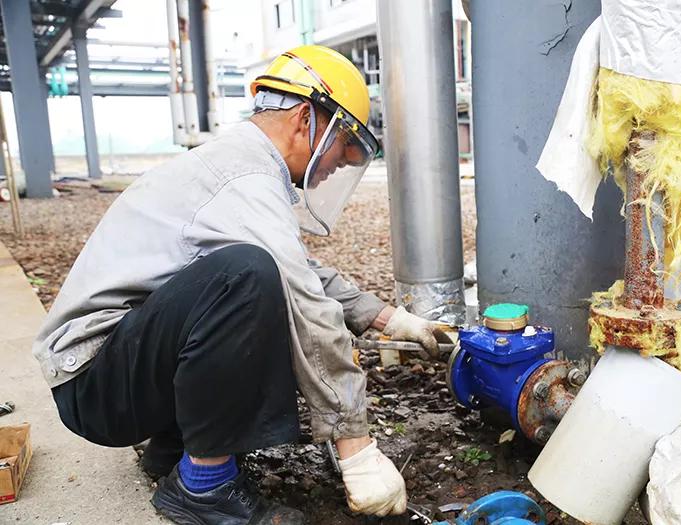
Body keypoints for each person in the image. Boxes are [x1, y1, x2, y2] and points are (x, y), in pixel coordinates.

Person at [33, 45, 451, 525]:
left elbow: (301, 268)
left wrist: (391, 319)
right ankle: (204, 487)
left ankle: (175, 451)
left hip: (112, 370)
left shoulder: (240, 166)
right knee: (248, 278)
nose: (340, 163)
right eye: (344, 146)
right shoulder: (244, 177)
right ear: (305, 119)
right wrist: (356, 447)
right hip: (94, 383)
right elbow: (306, 303)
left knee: (255, 277)